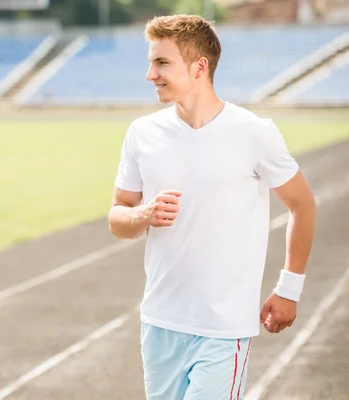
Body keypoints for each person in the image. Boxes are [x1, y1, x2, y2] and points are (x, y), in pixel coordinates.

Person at [108, 15, 316, 400]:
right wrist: (144, 214)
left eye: (162, 63)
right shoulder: (141, 133)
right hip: (160, 323)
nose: (150, 74)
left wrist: (289, 289)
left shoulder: (255, 133)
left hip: (223, 327)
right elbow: (118, 216)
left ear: (199, 66)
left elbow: (303, 205)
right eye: (151, 62)